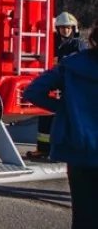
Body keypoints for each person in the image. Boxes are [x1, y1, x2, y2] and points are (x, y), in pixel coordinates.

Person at [23, 19, 98, 229]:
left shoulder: (71, 65)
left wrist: (65, 110)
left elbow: (33, 92)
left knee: (83, 228)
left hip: (81, 155)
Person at [27, 12, 88, 161]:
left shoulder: (78, 45)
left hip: (71, 88)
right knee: (45, 116)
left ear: (73, 29)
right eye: (62, 28)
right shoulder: (53, 44)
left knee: (67, 119)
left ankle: (62, 151)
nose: (65, 30)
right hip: (55, 85)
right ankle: (42, 149)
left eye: (68, 28)